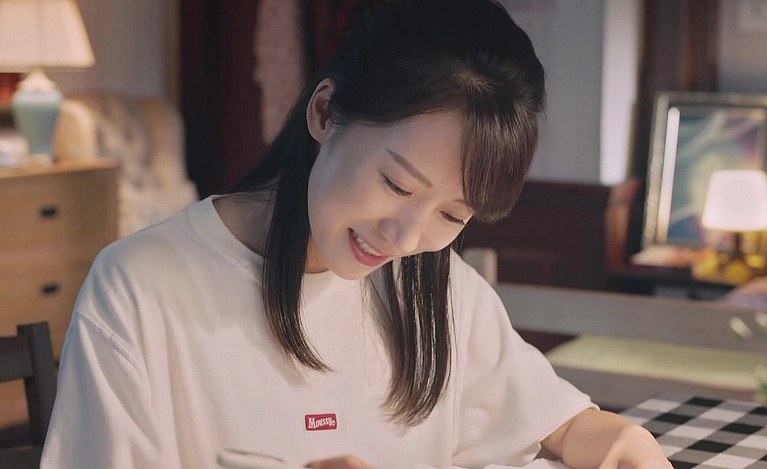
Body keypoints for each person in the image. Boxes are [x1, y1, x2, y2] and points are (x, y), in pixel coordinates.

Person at [42, 1, 672, 468]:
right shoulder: (140, 289)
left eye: (452, 216)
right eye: (396, 184)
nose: (403, 238)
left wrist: (614, 438)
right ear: (324, 111)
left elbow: (554, 418)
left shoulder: (439, 288)